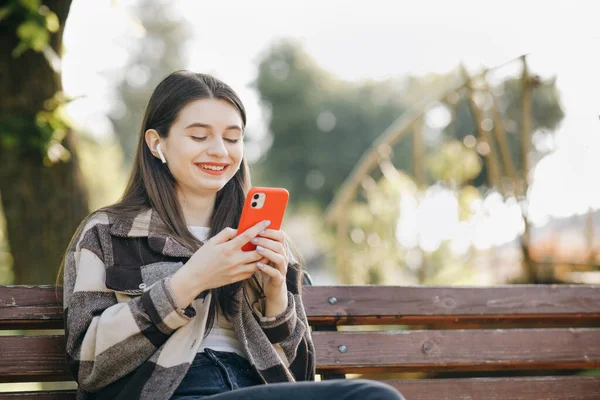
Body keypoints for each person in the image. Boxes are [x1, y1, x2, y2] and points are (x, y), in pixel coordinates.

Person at [60, 70, 405, 400]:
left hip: (256, 388)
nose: (220, 152)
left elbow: (300, 375)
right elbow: (88, 364)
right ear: (156, 143)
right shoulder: (108, 232)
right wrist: (190, 280)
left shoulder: (266, 237)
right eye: (199, 136)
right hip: (169, 390)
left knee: (373, 395)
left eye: (232, 137)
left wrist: (276, 298)